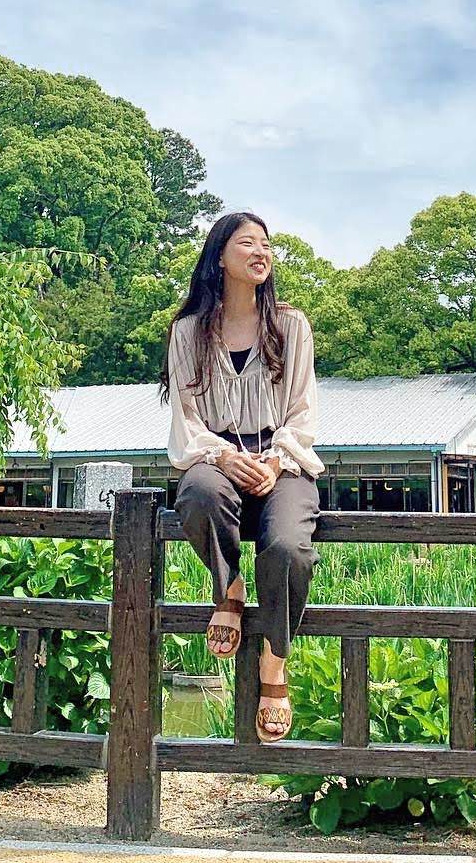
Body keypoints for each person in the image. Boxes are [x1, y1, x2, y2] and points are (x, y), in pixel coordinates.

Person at [161, 211, 323, 742]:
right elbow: (185, 417)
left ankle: (274, 664)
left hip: (283, 459)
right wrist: (221, 456)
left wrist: (276, 459)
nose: (261, 252)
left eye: (267, 245)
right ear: (219, 256)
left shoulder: (291, 325)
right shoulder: (188, 332)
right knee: (200, 493)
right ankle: (228, 590)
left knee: (287, 548)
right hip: (216, 461)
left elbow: (303, 410)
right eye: (247, 243)